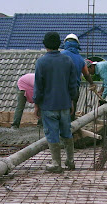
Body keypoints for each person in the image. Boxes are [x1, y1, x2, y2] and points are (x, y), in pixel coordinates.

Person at [33, 31, 77, 173]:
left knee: (52, 134)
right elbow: (73, 85)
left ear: (45, 45)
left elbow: (38, 86)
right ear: (59, 44)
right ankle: (70, 161)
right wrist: (72, 101)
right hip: (64, 104)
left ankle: (56, 163)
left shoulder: (41, 62)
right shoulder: (67, 60)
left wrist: (36, 104)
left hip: (48, 106)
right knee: (66, 132)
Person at [61, 33, 96, 120]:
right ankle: (71, 130)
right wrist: (92, 84)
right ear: (77, 45)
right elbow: (86, 74)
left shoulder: (60, 55)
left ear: (65, 43)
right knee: (71, 113)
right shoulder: (80, 59)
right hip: (74, 89)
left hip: (60, 88)